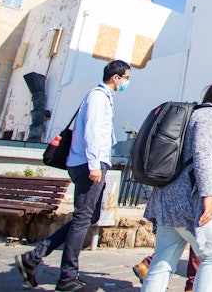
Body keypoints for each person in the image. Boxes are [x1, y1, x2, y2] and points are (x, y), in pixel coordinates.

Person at [16, 60, 131, 292]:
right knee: (82, 218)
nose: (127, 82)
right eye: (126, 77)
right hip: (89, 164)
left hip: (89, 163)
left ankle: (34, 257)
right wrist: (94, 164)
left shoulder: (103, 97)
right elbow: (91, 132)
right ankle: (67, 278)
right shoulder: (98, 97)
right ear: (116, 77)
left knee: (89, 216)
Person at [140, 77, 212, 292]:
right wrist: (207, 196)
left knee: (162, 260)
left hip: (168, 197)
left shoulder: (193, 114)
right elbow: (202, 155)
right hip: (187, 198)